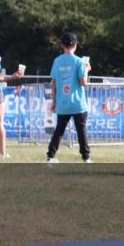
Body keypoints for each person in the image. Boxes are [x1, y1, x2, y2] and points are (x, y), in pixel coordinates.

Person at [46, 32, 91, 164]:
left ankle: (50, 156)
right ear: (76, 45)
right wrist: (87, 69)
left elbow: (53, 83)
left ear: (62, 45)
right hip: (78, 103)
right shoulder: (79, 61)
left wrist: (54, 101)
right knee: (81, 131)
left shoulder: (57, 61)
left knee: (59, 131)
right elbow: (83, 82)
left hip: (63, 102)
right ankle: (86, 158)